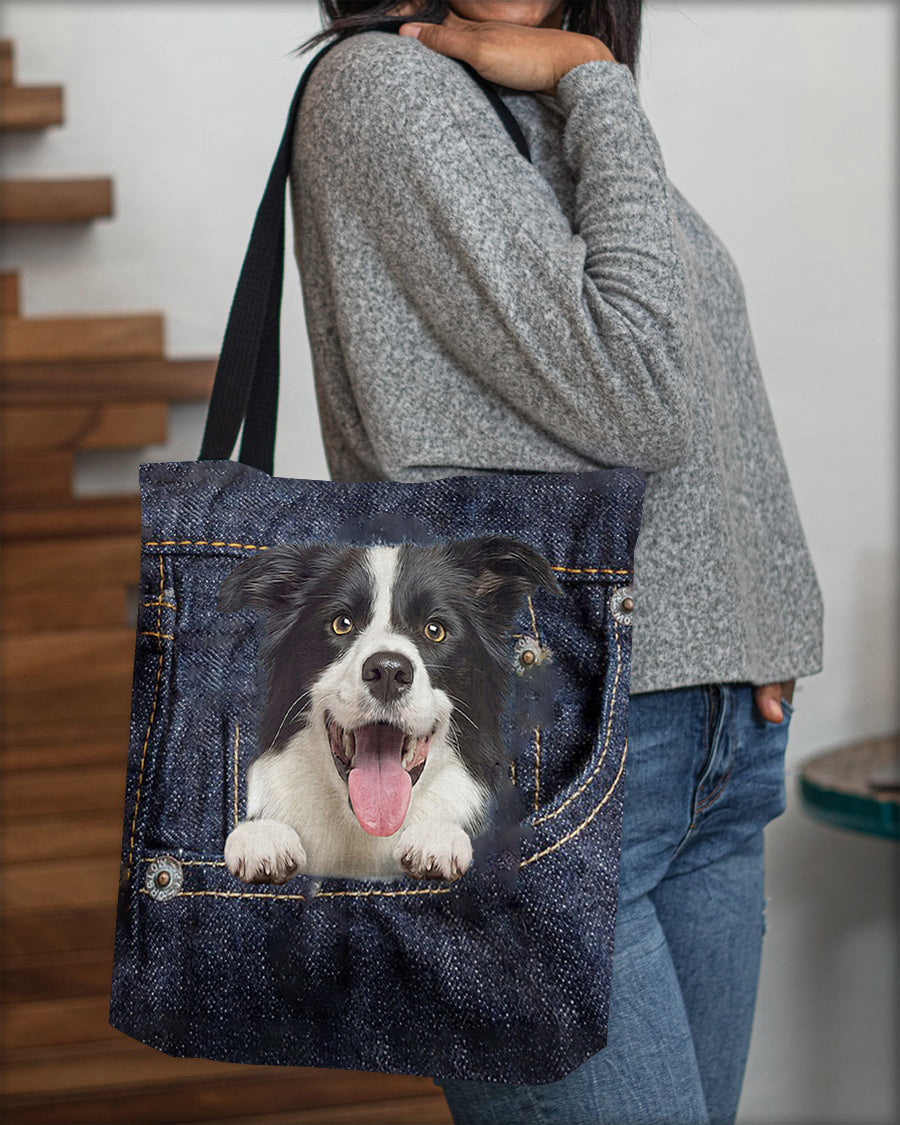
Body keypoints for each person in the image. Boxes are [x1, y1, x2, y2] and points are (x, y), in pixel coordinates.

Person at [288, 2, 824, 1122]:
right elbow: (641, 393)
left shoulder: (532, 97)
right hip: (547, 759)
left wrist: (752, 630)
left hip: (705, 749)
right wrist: (599, 78)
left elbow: (703, 368)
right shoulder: (389, 90)